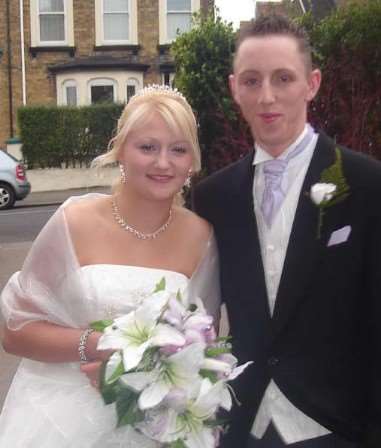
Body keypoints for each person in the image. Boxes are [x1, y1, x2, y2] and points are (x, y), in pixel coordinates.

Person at [192, 14, 381, 448]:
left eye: (283, 78)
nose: (267, 97)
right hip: (242, 429)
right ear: (233, 88)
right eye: (251, 80)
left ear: (312, 83)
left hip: (339, 427)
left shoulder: (377, 190)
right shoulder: (213, 197)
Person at [0, 84, 220, 447]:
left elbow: (198, 346)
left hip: (150, 424)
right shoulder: (74, 221)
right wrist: (98, 345)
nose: (163, 162)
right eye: (147, 147)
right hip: (61, 420)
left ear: (192, 162)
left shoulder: (202, 237)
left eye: (178, 150)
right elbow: (14, 331)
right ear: (121, 150)